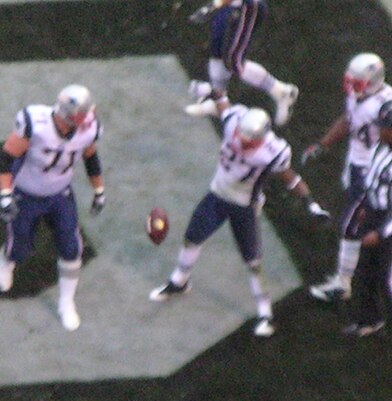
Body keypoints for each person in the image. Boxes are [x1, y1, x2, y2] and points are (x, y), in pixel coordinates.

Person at [150, 89, 330, 337]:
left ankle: (265, 313)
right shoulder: (235, 120)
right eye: (241, 136)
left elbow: (290, 178)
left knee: (253, 262)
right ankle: (179, 282)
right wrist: (215, 91)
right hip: (217, 195)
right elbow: (223, 104)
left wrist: (311, 203)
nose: (242, 142)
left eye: (249, 140)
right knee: (192, 237)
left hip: (243, 206)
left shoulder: (272, 152)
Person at [0, 84, 106, 332]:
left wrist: (99, 190)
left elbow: (91, 157)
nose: (86, 120)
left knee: (71, 247)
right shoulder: (36, 123)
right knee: (20, 249)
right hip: (25, 193)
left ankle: (66, 302)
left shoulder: (87, 129)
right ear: (67, 116)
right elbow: (6, 158)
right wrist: (5, 194)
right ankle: (6, 259)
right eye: (80, 116)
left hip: (60, 194)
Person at [302, 52, 392, 303]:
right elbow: (349, 120)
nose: (352, 87)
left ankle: (343, 283)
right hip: (356, 166)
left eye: (358, 83)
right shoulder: (360, 97)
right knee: (361, 222)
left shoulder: (386, 106)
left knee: (351, 225)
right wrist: (323, 144)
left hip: (373, 173)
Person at [185, 0, 298, 126]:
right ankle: (217, 101)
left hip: (245, 5)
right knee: (216, 49)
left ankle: (282, 91)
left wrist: (213, 6)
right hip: (228, 5)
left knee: (233, 60)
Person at [340, 100, 392, 337]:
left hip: (387, 224)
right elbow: (372, 178)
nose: (379, 130)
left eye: (384, 126)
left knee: (389, 280)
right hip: (376, 213)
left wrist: (380, 233)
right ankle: (371, 320)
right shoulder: (382, 148)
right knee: (367, 272)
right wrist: (365, 206)